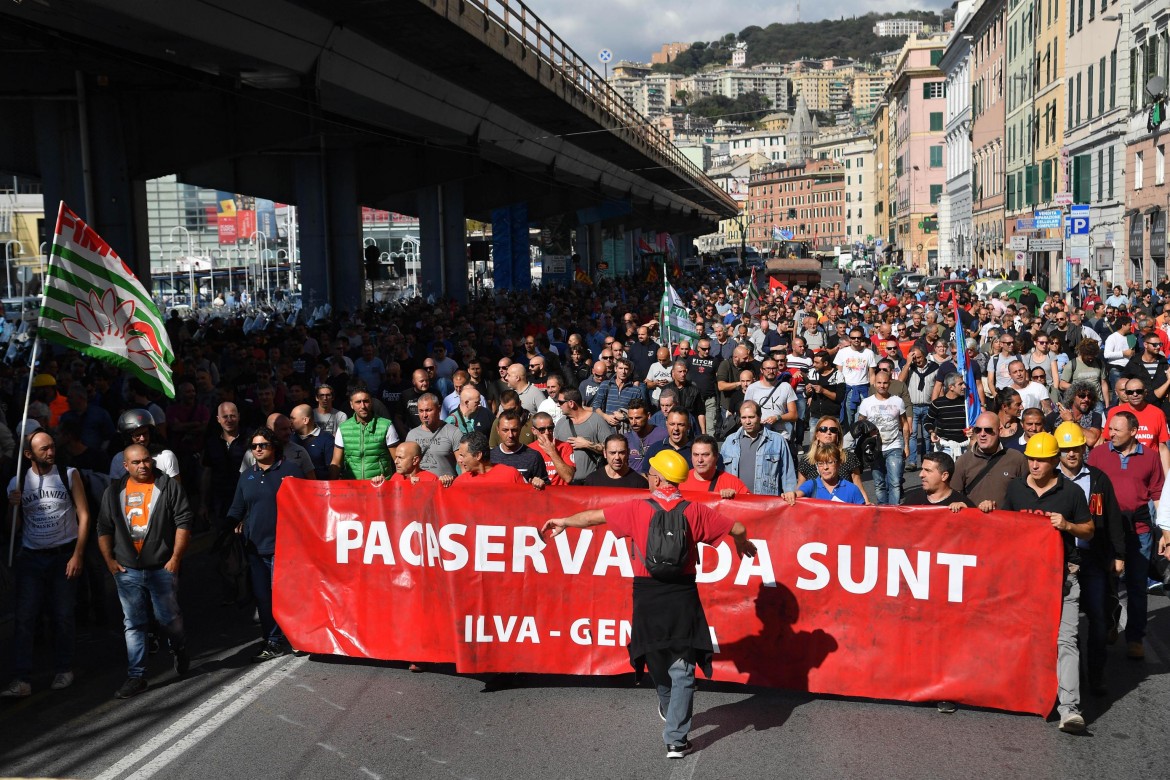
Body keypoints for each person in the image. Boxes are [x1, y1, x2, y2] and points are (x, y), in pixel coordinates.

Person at [540, 450, 757, 759]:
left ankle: (670, 712)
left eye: (651, 472)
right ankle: (676, 740)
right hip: (682, 595)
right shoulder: (697, 511)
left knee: (656, 660)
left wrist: (564, 521)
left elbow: (591, 517)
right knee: (683, 668)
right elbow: (737, 528)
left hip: (647, 594)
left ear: (657, 477)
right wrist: (742, 544)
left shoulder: (636, 508)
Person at [987, 432, 1093, 733]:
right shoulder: (1016, 488)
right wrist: (987, 511)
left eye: (1041, 460)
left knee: (1066, 641)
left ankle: (1070, 709)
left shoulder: (1071, 492)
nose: (1034, 464)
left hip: (1063, 580)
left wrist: (1068, 525)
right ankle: (1017, 695)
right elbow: (1003, 526)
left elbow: (1088, 530)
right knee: (1020, 636)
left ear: (1054, 461)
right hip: (1024, 580)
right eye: (1031, 458)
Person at [96, 443, 191, 698]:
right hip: (127, 571)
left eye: (146, 460)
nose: (143, 466)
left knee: (168, 620)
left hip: (161, 568)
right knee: (134, 623)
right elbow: (103, 528)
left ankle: (178, 647)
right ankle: (136, 676)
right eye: (136, 462)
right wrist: (110, 562)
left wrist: (175, 559)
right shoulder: (114, 491)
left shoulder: (168, 486)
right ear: (125, 466)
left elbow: (183, 522)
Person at [1, 431, 91, 698]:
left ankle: (64, 668)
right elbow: (12, 528)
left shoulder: (68, 473)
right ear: (28, 454)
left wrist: (78, 554)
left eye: (51, 447)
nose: (50, 452)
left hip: (63, 555)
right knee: (25, 618)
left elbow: (84, 515)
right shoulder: (17, 482)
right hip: (31, 558)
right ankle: (22, 678)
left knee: (62, 616)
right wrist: (11, 506)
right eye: (43, 449)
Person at [1087, 412, 1165, 661]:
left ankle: (1135, 637)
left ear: (1133, 431)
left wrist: (1165, 532)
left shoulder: (1151, 457)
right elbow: (1090, 490)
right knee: (1106, 582)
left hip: (1139, 530)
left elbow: (1158, 494)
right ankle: (1110, 623)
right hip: (1106, 532)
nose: (1111, 434)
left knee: (1137, 586)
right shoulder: (1098, 455)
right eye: (1110, 429)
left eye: (1117, 430)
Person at [1054, 421, 1124, 695]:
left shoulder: (1098, 479)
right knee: (1063, 624)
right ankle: (1065, 676)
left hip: (1092, 559)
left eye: (1077, 449)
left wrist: (1118, 554)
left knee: (1096, 619)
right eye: (1067, 449)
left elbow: (1113, 518)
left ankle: (1095, 674)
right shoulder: (1049, 478)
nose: (1072, 454)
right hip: (1058, 560)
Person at [227, 427, 304, 662]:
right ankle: (272, 640)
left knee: (287, 596)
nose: (258, 449)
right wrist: (227, 529)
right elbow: (237, 508)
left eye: (263, 445)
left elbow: (306, 505)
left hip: (285, 547)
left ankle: (297, 637)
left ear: (274, 447)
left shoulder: (291, 470)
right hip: (254, 549)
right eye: (254, 446)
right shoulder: (246, 475)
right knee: (263, 597)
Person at [951, 411, 1029, 508]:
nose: (982, 434)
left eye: (988, 430)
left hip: (1006, 521)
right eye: (978, 430)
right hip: (974, 521)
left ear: (1000, 431)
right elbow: (953, 496)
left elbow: (1027, 495)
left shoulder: (1016, 458)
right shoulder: (963, 461)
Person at [719, 401, 798, 496]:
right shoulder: (730, 441)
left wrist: (790, 493)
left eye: (751, 417)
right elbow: (720, 473)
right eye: (744, 418)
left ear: (760, 416)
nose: (747, 422)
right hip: (736, 502)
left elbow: (788, 474)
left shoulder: (777, 441)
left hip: (766, 504)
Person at [856, 370, 909, 505]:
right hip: (875, 448)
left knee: (895, 482)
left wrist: (906, 445)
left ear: (889, 383)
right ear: (874, 384)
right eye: (879, 382)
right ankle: (882, 510)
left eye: (885, 383)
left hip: (894, 445)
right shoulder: (867, 403)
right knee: (879, 484)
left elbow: (904, 424)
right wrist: (867, 434)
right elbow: (859, 424)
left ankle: (894, 510)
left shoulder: (897, 401)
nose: (882, 386)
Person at [329, 385, 399, 480]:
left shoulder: (386, 425)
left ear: (371, 402)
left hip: (380, 485)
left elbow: (398, 460)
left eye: (366, 401)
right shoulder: (343, 428)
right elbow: (336, 462)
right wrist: (330, 489)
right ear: (351, 405)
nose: (363, 406)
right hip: (352, 486)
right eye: (358, 402)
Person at [796, 415, 869, 501]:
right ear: (817, 434)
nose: (828, 432)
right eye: (823, 429)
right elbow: (799, 490)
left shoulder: (849, 457)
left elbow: (858, 486)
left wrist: (867, 505)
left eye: (833, 430)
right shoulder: (806, 460)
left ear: (838, 435)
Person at [553, 388, 613, 483]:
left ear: (571, 403)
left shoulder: (596, 420)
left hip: (591, 483)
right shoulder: (560, 424)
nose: (558, 405)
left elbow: (611, 450)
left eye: (560, 402)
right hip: (567, 483)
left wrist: (587, 444)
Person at [781, 443, 865, 504]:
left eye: (830, 462)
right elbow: (797, 494)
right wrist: (791, 494)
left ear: (839, 463)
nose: (825, 467)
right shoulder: (811, 485)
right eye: (820, 463)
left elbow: (863, 518)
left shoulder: (852, 489)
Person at [109, 409, 180, 481]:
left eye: (145, 433)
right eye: (137, 435)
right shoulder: (118, 459)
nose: (142, 438)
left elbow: (176, 489)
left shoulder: (165, 456)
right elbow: (115, 489)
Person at [405, 393, 462, 481]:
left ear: (439, 409)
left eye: (428, 410)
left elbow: (463, 465)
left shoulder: (453, 432)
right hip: (420, 489)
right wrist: (410, 478)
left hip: (445, 488)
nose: (424, 415)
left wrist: (454, 480)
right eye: (421, 411)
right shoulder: (412, 435)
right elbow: (407, 467)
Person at [491, 409, 549, 485]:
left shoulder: (533, 457)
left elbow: (547, 487)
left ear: (520, 429)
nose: (510, 435)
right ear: (498, 430)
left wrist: (540, 483)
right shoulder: (491, 457)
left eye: (514, 430)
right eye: (505, 430)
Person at [680, 434, 748, 497]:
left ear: (716, 457)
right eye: (696, 455)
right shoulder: (680, 481)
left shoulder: (733, 483)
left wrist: (736, 499)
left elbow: (751, 506)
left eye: (705, 455)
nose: (700, 460)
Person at [901, 452, 973, 511]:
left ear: (944, 476)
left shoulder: (963, 505)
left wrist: (967, 513)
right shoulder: (912, 500)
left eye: (928, 470)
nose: (921, 474)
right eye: (922, 470)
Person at [925, 373, 970, 460]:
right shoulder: (937, 403)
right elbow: (927, 421)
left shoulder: (966, 403)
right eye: (960, 384)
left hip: (964, 447)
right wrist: (932, 432)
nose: (964, 386)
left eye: (963, 383)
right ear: (951, 387)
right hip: (944, 448)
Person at [453, 431, 527, 484]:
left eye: (463, 455)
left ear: (478, 455)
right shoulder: (461, 482)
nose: (459, 460)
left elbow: (527, 499)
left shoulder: (510, 475)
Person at [1047, 382, 1104, 448]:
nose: (1086, 399)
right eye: (1082, 396)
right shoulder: (1057, 415)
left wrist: (1072, 421)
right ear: (1072, 397)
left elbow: (1091, 440)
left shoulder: (1095, 416)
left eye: (1089, 396)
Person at [581, 434, 648, 488]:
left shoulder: (639, 483)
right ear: (605, 453)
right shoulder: (592, 481)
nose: (617, 457)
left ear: (628, 453)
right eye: (612, 453)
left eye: (621, 452)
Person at [528, 411, 576, 486]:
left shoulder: (565, 447)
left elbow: (568, 477)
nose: (547, 432)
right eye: (542, 429)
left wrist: (552, 452)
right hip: (539, 495)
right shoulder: (529, 450)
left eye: (550, 428)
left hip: (560, 494)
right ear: (534, 430)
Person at [290, 403, 335, 478]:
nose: (290, 422)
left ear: (305, 420)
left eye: (293, 418)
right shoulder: (290, 439)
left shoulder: (327, 439)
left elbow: (332, 469)